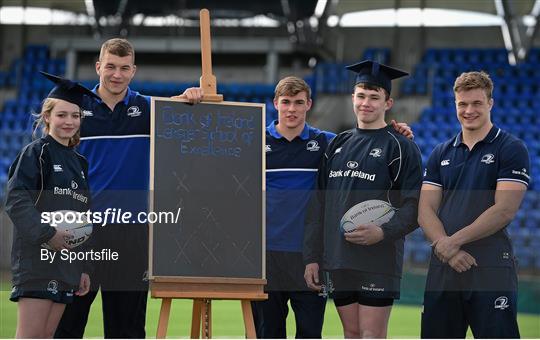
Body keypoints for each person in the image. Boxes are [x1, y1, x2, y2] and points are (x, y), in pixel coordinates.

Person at [54, 38, 202, 338]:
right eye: (110, 67)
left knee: (128, 328)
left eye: (124, 68)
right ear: (98, 67)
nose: (116, 75)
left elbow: (182, 109)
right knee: (68, 323)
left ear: (133, 71)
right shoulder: (74, 110)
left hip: (131, 232)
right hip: (81, 230)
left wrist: (191, 95)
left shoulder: (147, 108)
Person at [303, 60, 423, 338]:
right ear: (352, 98)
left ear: (388, 102)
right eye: (361, 95)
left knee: (371, 335)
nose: (366, 103)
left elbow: (415, 206)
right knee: (352, 334)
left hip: (378, 259)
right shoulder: (337, 144)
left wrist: (382, 232)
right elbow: (318, 205)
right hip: (338, 258)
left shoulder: (401, 146)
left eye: (374, 97)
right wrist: (312, 257)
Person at [418, 71, 529, 338]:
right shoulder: (440, 152)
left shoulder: (511, 148)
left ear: (490, 103)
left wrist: (451, 242)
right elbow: (425, 210)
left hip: (490, 267)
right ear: (455, 105)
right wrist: (448, 250)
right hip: (444, 267)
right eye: (462, 104)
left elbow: (504, 210)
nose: (469, 110)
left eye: (477, 103)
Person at [5, 71, 99, 338]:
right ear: (47, 117)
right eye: (61, 115)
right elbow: (16, 198)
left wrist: (83, 267)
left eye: (74, 115)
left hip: (67, 265)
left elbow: (84, 216)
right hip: (38, 261)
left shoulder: (80, 163)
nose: (68, 121)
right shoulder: (36, 153)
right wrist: (48, 234)